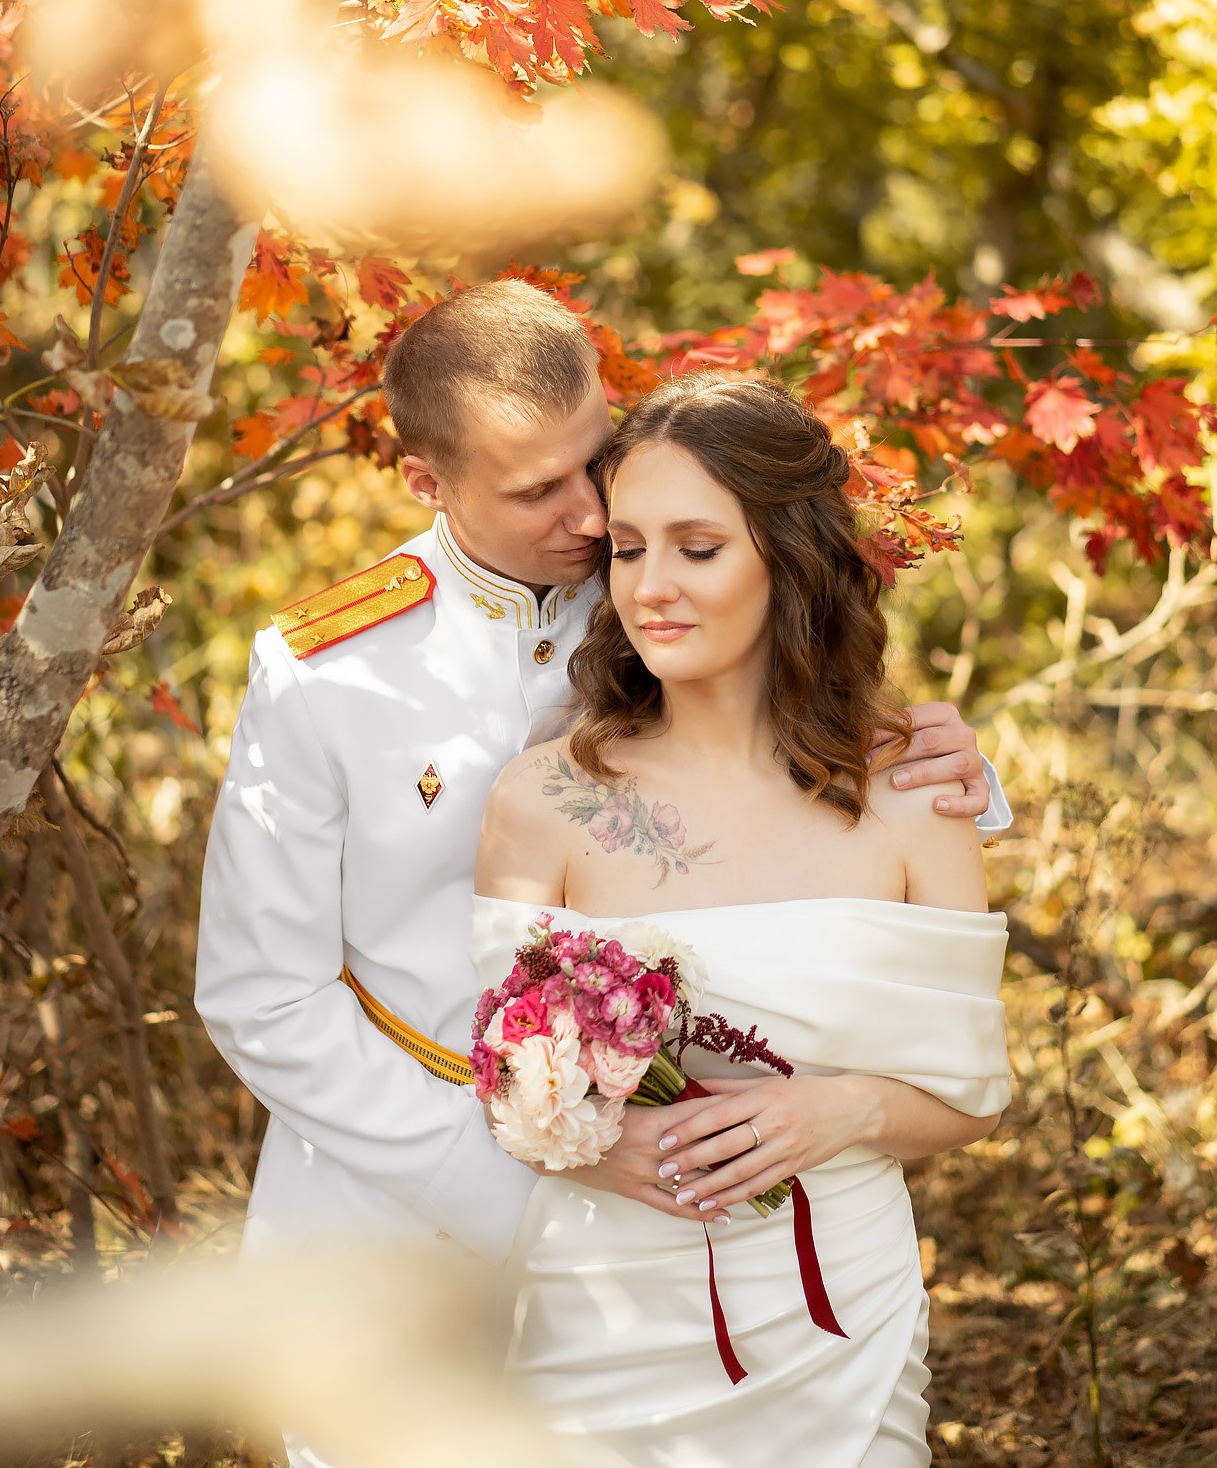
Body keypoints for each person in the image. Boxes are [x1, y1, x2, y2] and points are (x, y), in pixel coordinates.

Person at [194, 285, 1009, 1404]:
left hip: (694, 1233)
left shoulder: (657, 576)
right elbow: (262, 997)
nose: (589, 514)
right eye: (537, 489)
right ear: (427, 483)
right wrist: (518, 1159)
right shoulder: (332, 671)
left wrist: (956, 774)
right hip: (390, 1207)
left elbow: (801, 728)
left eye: (596, 461)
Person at [473, 371, 1011, 1467]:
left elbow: (972, 1097)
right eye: (627, 547)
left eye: (697, 546)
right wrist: (580, 1139)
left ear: (788, 555)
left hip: (836, 1319)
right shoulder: (545, 799)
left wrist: (845, 1108)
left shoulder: (916, 794)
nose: (650, 585)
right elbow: (491, 1072)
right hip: (600, 1314)